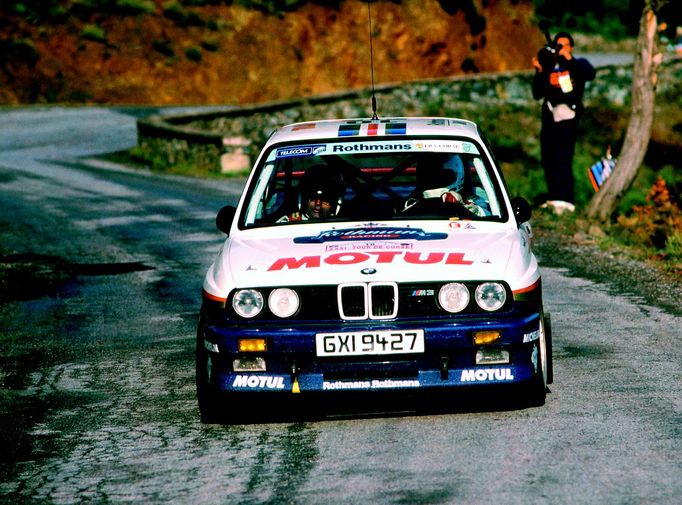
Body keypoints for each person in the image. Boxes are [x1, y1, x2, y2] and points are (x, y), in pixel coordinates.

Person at [532, 31, 596, 214]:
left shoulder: (578, 64)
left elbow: (590, 74)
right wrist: (539, 70)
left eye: (564, 45)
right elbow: (537, 93)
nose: (559, 49)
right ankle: (553, 197)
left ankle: (566, 198)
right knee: (548, 157)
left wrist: (569, 60)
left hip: (569, 116)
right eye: (557, 45)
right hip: (550, 115)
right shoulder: (550, 66)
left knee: (564, 157)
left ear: (571, 47)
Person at [403, 154, 489, 217]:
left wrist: (468, 207)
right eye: (429, 176)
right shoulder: (412, 200)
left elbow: (490, 217)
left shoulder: (473, 198)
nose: (434, 180)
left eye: (442, 176)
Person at [278, 164, 344, 222]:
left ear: (336, 202)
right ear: (303, 200)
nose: (318, 203)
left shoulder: (346, 224)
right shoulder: (288, 224)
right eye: (313, 198)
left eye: (325, 199)